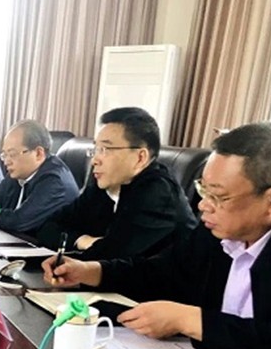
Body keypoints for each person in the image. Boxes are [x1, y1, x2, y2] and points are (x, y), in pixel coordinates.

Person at [42, 122, 271, 349]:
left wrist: (191, 320)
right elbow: (163, 272)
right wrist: (92, 271)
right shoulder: (217, 233)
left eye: (219, 196)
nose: (203, 205)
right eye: (203, 190)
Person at [37, 107, 196, 260]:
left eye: (105, 149)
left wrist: (95, 246)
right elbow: (47, 227)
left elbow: (111, 256)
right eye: (96, 149)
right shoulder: (104, 185)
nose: (94, 160)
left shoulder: (157, 193)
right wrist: (83, 240)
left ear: (140, 157)